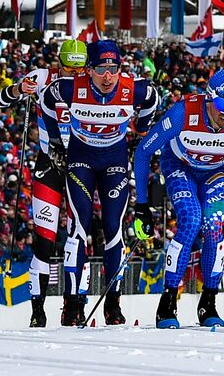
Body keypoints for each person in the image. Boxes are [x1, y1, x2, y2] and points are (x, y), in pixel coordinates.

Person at [132, 69, 224, 329]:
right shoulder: (184, 112)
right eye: (221, 105)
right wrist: (141, 204)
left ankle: (209, 303)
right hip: (180, 166)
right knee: (191, 221)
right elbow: (143, 151)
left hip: (217, 171)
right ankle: (168, 303)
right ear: (209, 99)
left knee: (214, 229)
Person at [40, 39, 158, 325]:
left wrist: (142, 130)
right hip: (80, 159)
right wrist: (55, 140)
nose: (108, 76)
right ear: (89, 69)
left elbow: (152, 99)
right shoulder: (70, 86)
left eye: (114, 68)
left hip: (114, 161)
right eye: (101, 69)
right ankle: (72, 303)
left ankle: (113, 303)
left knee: (112, 228)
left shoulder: (135, 88)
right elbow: (45, 102)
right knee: (78, 228)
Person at [0, 37, 87, 327]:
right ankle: (37, 310)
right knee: (44, 241)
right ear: (59, 63)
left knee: (78, 235)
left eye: (80, 69)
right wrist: (20, 89)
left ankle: (74, 305)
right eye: (69, 68)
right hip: (49, 164)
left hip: (81, 166)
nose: (74, 75)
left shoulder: (92, 85)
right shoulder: (43, 76)